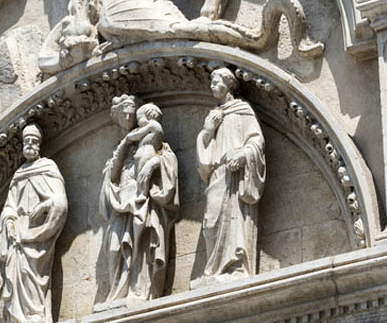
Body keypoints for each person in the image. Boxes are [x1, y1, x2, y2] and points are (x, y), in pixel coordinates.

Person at [100, 95, 179, 302]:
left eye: (131, 113)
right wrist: (125, 144)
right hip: (121, 203)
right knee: (115, 247)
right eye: (124, 114)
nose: (128, 118)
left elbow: (168, 161)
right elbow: (112, 175)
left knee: (144, 241)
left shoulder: (153, 140)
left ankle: (141, 291)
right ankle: (118, 293)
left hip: (145, 200)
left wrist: (154, 163)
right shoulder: (123, 146)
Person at [195, 67, 265, 284]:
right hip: (217, 173)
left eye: (216, 82)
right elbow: (204, 154)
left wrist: (243, 155)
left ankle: (234, 266)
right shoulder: (213, 115)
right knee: (211, 223)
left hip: (236, 174)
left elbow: (256, 140)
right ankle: (214, 269)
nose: (212, 86)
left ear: (228, 84)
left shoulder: (242, 110)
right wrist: (208, 129)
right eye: (211, 82)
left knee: (234, 218)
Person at [0, 124, 68, 323]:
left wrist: (44, 206)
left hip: (38, 230)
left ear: (39, 145)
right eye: (26, 141)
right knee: (16, 271)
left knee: (34, 273)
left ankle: (35, 312)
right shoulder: (18, 174)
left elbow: (60, 201)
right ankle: (18, 317)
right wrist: (9, 221)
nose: (29, 145)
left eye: (33, 142)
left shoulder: (48, 168)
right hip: (18, 231)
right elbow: (9, 205)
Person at [124, 102, 165, 204]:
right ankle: (140, 191)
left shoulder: (153, 125)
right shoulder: (149, 129)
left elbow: (138, 135)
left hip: (147, 154)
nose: (138, 122)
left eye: (139, 118)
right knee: (140, 175)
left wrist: (130, 137)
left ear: (149, 115)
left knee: (143, 176)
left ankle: (143, 192)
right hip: (141, 155)